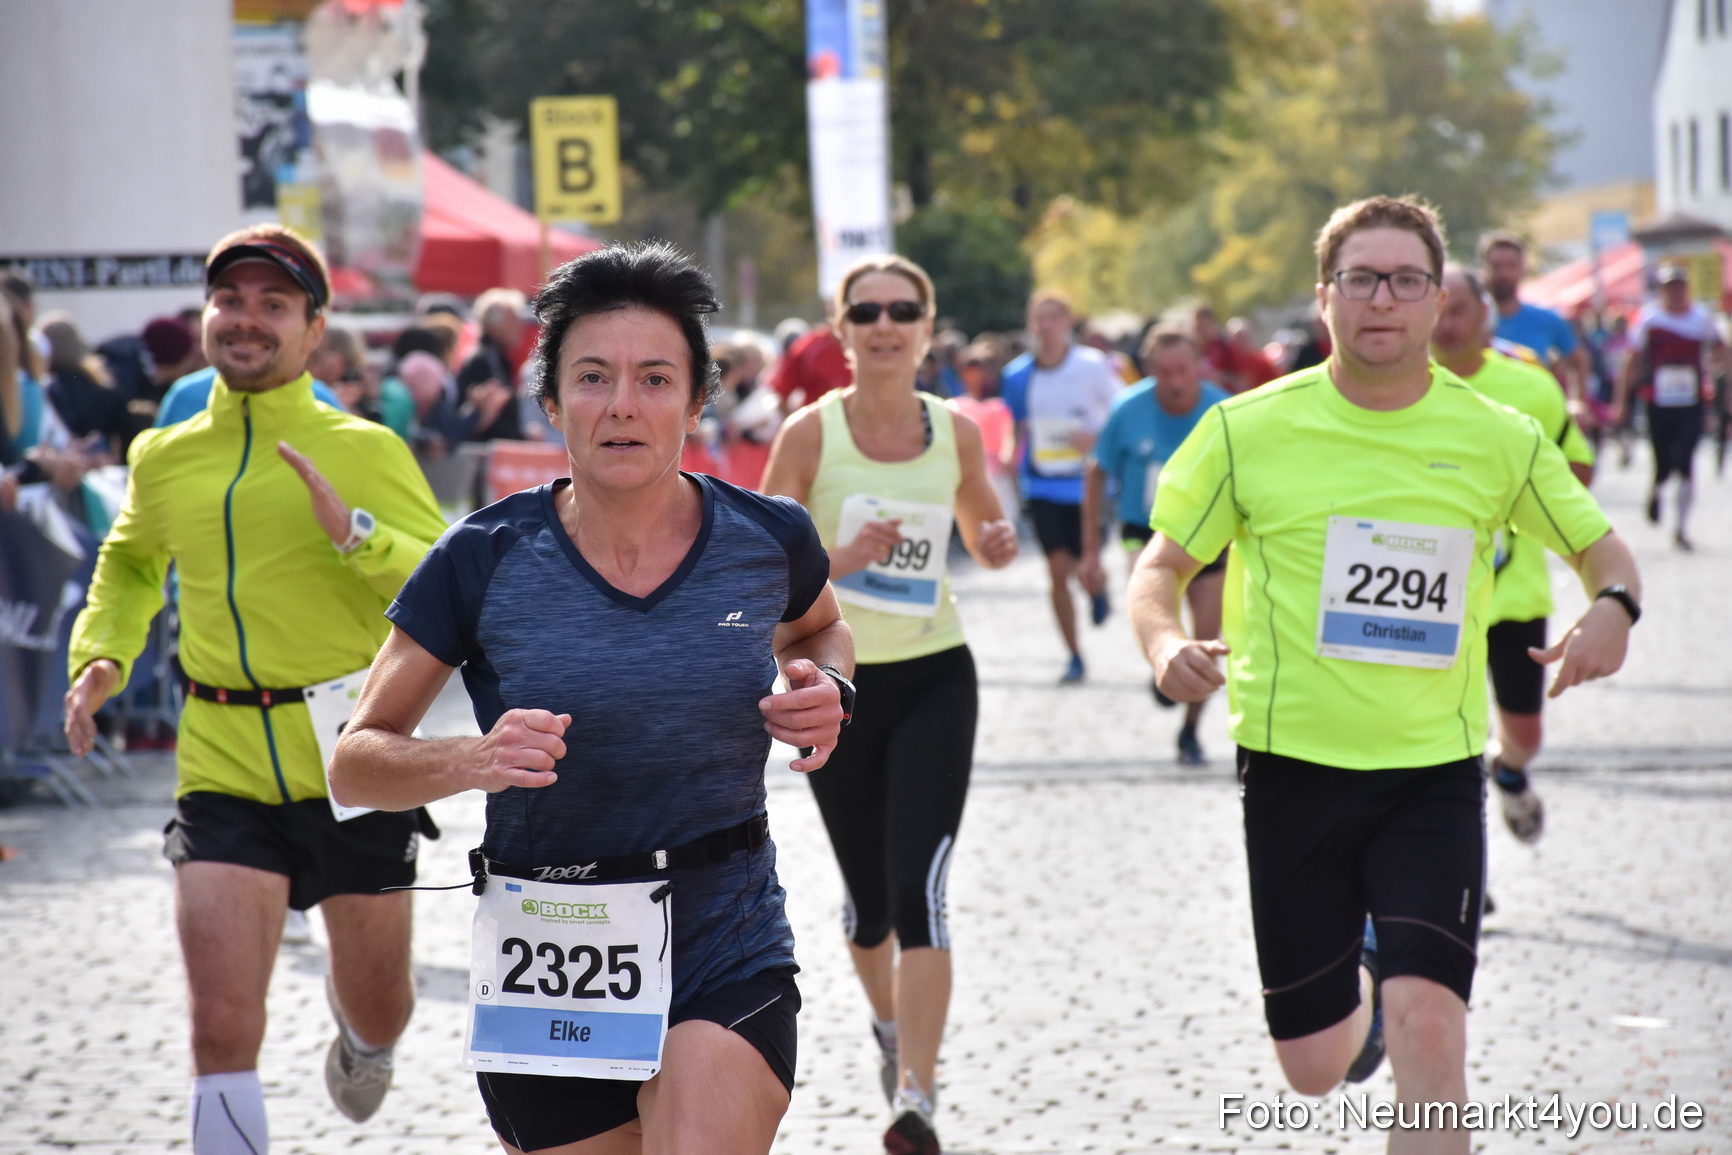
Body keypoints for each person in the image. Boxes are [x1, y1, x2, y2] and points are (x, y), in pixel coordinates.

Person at [1130, 196, 1640, 1154]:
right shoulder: (1246, 429)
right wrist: (1165, 648)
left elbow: (1606, 556)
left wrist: (1613, 611)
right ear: (1325, 297)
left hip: (1433, 774)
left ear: (1437, 297)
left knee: (1434, 1029)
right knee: (1316, 1066)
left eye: (1407, 279)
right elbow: (1160, 569)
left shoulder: (1500, 436)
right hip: (1294, 769)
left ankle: (1395, 976)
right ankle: (1357, 975)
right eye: (1360, 278)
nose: (1383, 300)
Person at [329, 242, 851, 1155]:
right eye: (593, 377)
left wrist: (827, 684)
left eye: (655, 379)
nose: (622, 405)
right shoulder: (483, 556)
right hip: (551, 946)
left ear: (696, 401)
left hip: (723, 927)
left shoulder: (770, 539)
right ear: (550, 402)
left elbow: (819, 630)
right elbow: (356, 758)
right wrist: (468, 759)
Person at [62, 223, 450, 1153]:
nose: (246, 320)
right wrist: (101, 656)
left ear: (315, 330)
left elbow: (447, 583)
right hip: (222, 757)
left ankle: (366, 1037)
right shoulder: (164, 454)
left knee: (383, 1008)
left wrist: (356, 533)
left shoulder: (365, 448)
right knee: (221, 1025)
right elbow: (128, 564)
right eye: (229, 300)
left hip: (355, 758)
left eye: (273, 304)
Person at [762, 254, 1017, 1155]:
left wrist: (995, 539)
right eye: (865, 310)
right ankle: (888, 1026)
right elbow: (755, 570)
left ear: (924, 325)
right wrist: (846, 561)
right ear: (841, 330)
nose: (884, 323)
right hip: (836, 686)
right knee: (870, 905)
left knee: (923, 892)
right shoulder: (807, 434)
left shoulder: (956, 432)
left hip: (938, 676)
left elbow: (988, 537)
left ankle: (917, 1091)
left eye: (901, 309)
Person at [1431, 264, 1595, 846]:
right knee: (1439, 743)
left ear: (1485, 317)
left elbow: (1577, 470)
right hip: (1428, 596)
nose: (1447, 324)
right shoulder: (1395, 390)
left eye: (1460, 311)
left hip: (1513, 591)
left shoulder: (1529, 387)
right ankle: (1450, 864)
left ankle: (1510, 770)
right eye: (1439, 309)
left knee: (1523, 733)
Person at [1079, 326, 1230, 766]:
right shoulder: (1128, 409)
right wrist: (1091, 550)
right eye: (1164, 372)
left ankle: (1190, 730)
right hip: (1143, 530)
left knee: (1207, 638)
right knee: (1153, 605)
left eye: (1183, 369)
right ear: (1149, 371)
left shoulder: (1222, 410)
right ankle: (1161, 653)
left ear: (1199, 366)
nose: (1176, 381)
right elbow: (1096, 471)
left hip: (1210, 535)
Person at [1000, 290, 1121, 683]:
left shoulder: (1091, 365)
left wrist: (1096, 438)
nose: (1046, 325)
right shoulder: (1018, 374)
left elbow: (1121, 410)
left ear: (1069, 322)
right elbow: (1015, 424)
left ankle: (1097, 587)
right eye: (1040, 317)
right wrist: (1008, 453)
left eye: (1054, 317)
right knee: (1057, 571)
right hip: (1044, 485)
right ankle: (1073, 654)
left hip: (1088, 484)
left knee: (1086, 568)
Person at [1613, 264, 1728, 551]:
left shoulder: (1702, 318)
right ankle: (1657, 485)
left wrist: (1721, 380)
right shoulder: (1649, 318)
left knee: (1687, 459)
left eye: (1680, 287)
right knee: (1663, 461)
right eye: (1670, 287)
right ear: (1662, 290)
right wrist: (1622, 402)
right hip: (1657, 400)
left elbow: (1721, 350)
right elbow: (1632, 359)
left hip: (1691, 401)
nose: (1675, 293)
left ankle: (1681, 528)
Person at [1479, 231, 1588, 403]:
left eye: (1511, 265)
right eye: (1496, 266)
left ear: (1523, 269)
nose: (1504, 274)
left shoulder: (1547, 319)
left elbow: (1579, 361)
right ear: (1484, 269)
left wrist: (1578, 403)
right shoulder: (1470, 322)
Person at [457, 287, 530, 441]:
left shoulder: (494, 359)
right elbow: (485, 421)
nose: (520, 328)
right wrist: (522, 438)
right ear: (495, 325)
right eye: (513, 321)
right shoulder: (482, 360)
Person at [771, 310, 852, 416]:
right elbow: (781, 395)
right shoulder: (810, 346)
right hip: (820, 428)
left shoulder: (872, 347)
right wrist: (804, 427)